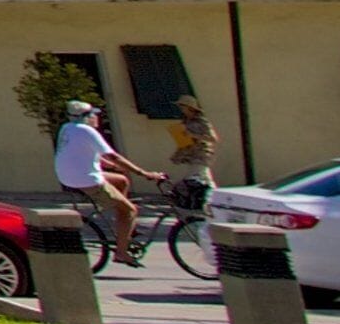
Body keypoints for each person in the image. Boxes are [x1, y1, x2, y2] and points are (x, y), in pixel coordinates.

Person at [54, 99, 153, 263]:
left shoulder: (67, 128)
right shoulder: (87, 131)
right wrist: (143, 173)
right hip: (86, 179)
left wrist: (107, 165)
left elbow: (78, 151)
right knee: (130, 211)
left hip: (70, 176)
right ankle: (121, 253)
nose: (96, 117)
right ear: (86, 116)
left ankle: (122, 224)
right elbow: (113, 156)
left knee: (121, 181)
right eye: (93, 114)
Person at [163, 95, 220, 208]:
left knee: (196, 178)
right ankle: (212, 201)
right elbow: (184, 141)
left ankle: (213, 201)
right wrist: (178, 153)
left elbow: (213, 138)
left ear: (189, 107)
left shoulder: (202, 121)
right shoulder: (185, 122)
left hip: (201, 155)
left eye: (182, 106)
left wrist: (194, 135)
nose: (181, 109)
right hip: (190, 155)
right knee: (203, 179)